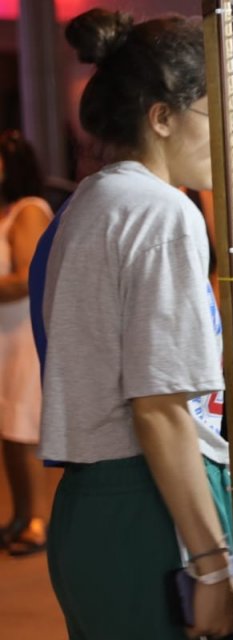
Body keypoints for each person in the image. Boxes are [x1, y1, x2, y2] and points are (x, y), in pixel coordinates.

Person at [33, 9, 233, 638]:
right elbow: (159, 408)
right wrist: (211, 562)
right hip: (150, 499)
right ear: (163, 116)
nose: (231, 134)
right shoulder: (161, 211)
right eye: (216, 113)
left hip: (93, 507)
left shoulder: (88, 201)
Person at [0, 130, 53, 556]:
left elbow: (25, 278)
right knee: (9, 433)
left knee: (23, 432)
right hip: (4, 336)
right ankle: (19, 515)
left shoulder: (29, 210)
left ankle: (36, 520)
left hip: (21, 336)